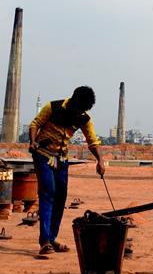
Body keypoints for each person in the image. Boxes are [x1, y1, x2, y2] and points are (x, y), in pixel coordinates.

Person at [29, 86, 105, 256]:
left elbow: (93, 141)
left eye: (83, 110)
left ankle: (52, 237)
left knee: (60, 197)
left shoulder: (84, 118)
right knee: (48, 193)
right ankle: (45, 241)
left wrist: (100, 160)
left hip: (61, 159)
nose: (80, 113)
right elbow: (35, 124)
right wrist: (33, 141)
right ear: (73, 102)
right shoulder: (53, 107)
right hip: (43, 154)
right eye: (79, 109)